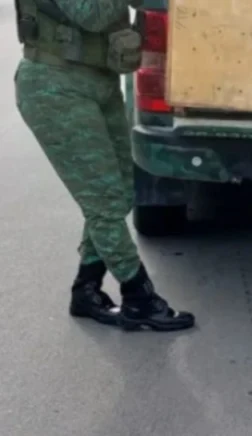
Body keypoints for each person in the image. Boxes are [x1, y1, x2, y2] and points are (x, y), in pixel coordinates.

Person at [14, 0, 195, 332]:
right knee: (105, 201)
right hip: (55, 87)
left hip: (100, 81)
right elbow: (92, 14)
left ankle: (86, 288)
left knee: (123, 190)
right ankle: (138, 296)